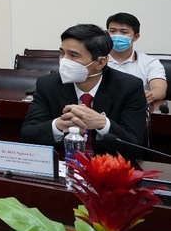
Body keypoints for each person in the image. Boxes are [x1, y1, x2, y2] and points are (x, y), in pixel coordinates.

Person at [20, 24, 147, 160]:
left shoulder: (129, 87)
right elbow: (27, 135)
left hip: (108, 169)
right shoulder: (48, 85)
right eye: (62, 53)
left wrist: (103, 124)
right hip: (64, 166)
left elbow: (136, 147)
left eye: (73, 55)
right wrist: (58, 125)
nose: (64, 61)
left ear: (100, 62)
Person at [105, 12, 167, 103]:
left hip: (135, 107)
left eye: (124, 32)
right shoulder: (96, 60)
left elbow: (160, 90)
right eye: (113, 31)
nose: (117, 35)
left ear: (136, 37)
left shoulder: (150, 62)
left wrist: (150, 95)